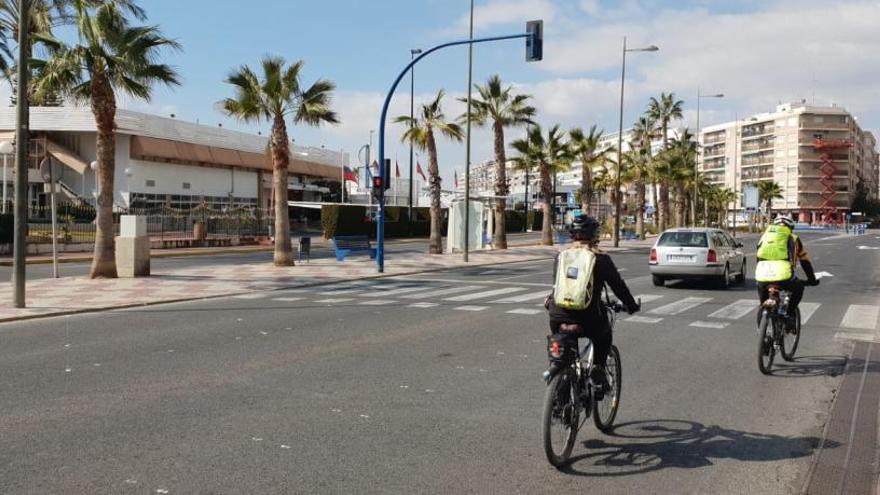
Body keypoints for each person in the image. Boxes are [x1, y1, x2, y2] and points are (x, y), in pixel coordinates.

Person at [546, 216, 640, 391]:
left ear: (572, 235)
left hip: (557, 315)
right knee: (604, 336)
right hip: (588, 317)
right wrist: (631, 305)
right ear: (594, 235)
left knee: (563, 351)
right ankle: (598, 368)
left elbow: (558, 286)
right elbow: (618, 286)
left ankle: (561, 389)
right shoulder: (600, 258)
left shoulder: (561, 256)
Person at [755, 215, 819, 327]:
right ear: (790, 228)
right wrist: (811, 280)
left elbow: (758, 258)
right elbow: (805, 262)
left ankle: (761, 326)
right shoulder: (793, 238)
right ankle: (788, 315)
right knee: (799, 288)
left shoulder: (764, 237)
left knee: (763, 302)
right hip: (783, 276)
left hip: (762, 274)